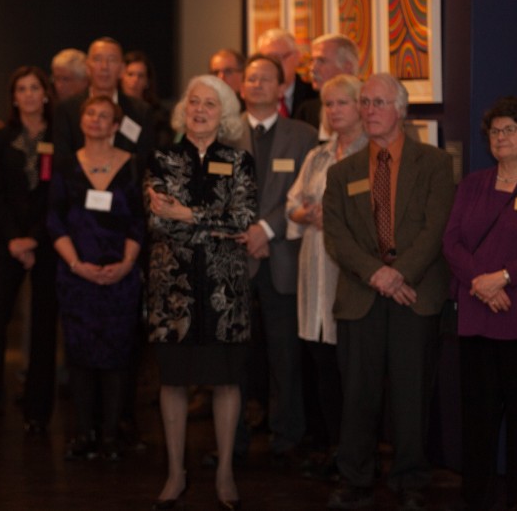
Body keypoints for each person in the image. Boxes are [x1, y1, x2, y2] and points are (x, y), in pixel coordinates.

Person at [323, 73, 454, 510]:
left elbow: (436, 229)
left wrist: (401, 275)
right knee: (358, 395)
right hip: (363, 296)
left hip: (414, 296)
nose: (370, 110)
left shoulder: (433, 163)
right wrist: (377, 274)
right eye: (365, 102)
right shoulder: (341, 173)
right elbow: (337, 237)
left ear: (402, 110)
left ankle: (411, 479)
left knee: (411, 394)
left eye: (380, 102)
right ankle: (356, 477)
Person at [145, 75, 256, 509]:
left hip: (224, 291)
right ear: (183, 109)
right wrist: (209, 221)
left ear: (223, 113)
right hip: (173, 290)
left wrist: (186, 213)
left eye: (211, 104)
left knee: (226, 381)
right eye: (194, 102)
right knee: (173, 381)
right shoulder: (161, 158)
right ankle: (176, 474)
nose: (200, 110)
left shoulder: (239, 160)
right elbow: (157, 221)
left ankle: (225, 473)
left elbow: (242, 219)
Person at [227, 54, 317, 464]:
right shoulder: (224, 134)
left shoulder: (302, 135)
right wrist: (247, 232)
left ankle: (287, 436)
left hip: (282, 258)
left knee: (285, 356)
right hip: (234, 259)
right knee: (236, 358)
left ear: (282, 88)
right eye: (251, 78)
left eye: (266, 79)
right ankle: (235, 438)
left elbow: (305, 192)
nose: (257, 84)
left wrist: (265, 230)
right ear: (241, 86)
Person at [442, 96, 517, 511]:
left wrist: (506, 277)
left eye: (510, 129)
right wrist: (481, 282)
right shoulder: (473, 183)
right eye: (495, 131)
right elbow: (451, 240)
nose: (501, 137)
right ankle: (476, 498)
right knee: (477, 421)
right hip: (477, 316)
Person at [48, 95, 144, 461]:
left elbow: (139, 221)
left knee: (118, 357)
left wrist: (125, 264)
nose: (96, 120)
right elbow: (54, 220)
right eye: (90, 113)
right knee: (80, 357)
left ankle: (111, 435)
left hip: (121, 277)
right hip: (77, 277)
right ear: (82, 120)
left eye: (105, 116)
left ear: (116, 126)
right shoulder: (65, 165)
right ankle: (84, 433)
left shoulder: (132, 165)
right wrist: (77, 265)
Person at [285, 75, 367, 478]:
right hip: (313, 263)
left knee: (347, 366)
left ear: (361, 107)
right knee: (320, 361)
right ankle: (332, 446)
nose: (333, 111)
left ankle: (351, 451)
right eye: (328, 104)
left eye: (342, 103)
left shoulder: (371, 155)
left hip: (347, 270)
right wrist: (306, 213)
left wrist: (325, 214)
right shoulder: (317, 156)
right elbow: (293, 205)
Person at [0, 66, 58, 435]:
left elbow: (59, 195)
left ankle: (38, 412)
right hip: (6, 242)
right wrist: (14, 239)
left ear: (45, 94)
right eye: (21, 89)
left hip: (48, 241)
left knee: (44, 328)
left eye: (34, 88)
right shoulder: (0, 137)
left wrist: (35, 238)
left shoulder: (60, 136)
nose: (28, 95)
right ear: (13, 98)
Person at [53, 37, 156, 171]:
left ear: (122, 69)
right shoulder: (67, 110)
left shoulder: (141, 111)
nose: (104, 67)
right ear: (87, 67)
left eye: (112, 60)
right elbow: (61, 161)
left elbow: (146, 161)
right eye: (97, 59)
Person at [296, 34, 361, 137]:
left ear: (347, 68)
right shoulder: (306, 111)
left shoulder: (368, 109)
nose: (312, 69)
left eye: (321, 61)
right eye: (312, 61)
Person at [256, 28, 317, 122]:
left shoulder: (314, 96)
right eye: (269, 59)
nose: (275, 64)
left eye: (280, 57)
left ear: (297, 57)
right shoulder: (251, 97)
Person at [121, 50, 174, 148]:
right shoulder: (112, 108)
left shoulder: (159, 115)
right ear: (121, 77)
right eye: (130, 74)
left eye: (140, 76)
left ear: (147, 82)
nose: (135, 80)